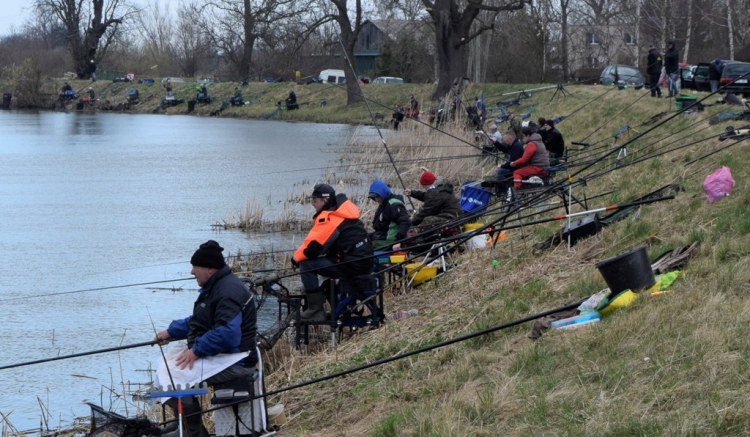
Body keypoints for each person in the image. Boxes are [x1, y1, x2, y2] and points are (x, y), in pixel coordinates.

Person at [153, 240, 258, 437]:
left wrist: (196, 350)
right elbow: (200, 320)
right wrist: (171, 331)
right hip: (224, 354)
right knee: (165, 368)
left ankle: (194, 433)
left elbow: (227, 333)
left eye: (195, 267)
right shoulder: (217, 286)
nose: (192, 272)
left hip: (238, 359)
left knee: (175, 381)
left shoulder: (227, 291)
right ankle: (182, 426)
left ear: (210, 268)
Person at [292, 184, 374, 321]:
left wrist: (295, 259)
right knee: (324, 274)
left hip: (352, 263)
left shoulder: (330, 218)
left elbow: (313, 248)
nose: (313, 204)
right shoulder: (342, 211)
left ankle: (315, 310)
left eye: (315, 200)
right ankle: (337, 308)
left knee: (306, 266)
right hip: (362, 260)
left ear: (325, 201)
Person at [367, 180, 411, 249]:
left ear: (383, 193)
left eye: (378, 196)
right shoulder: (383, 203)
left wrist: (398, 241)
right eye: (374, 197)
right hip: (382, 236)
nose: (377, 199)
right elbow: (381, 228)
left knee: (362, 248)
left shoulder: (394, 204)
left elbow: (405, 222)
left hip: (390, 241)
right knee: (361, 238)